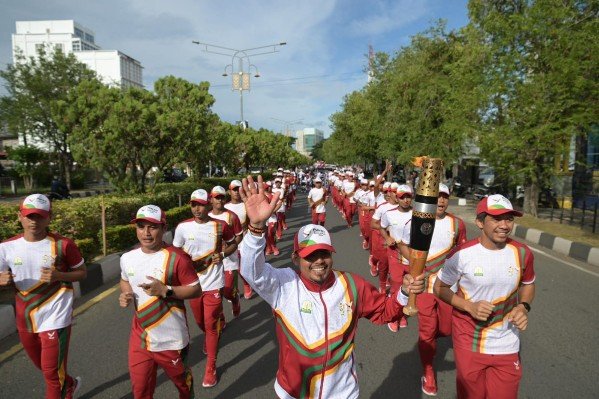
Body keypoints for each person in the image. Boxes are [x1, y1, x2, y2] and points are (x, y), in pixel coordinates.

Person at [238, 175, 425, 399]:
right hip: (294, 392)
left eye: (324, 254)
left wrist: (404, 292)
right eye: (310, 255)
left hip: (342, 393)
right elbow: (251, 271)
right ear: (296, 258)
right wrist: (256, 228)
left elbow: (385, 312)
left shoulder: (352, 285)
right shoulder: (284, 285)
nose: (319, 261)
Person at [433, 194, 535, 399]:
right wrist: (469, 306)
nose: (504, 225)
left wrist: (523, 307)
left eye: (509, 219)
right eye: (496, 219)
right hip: (470, 341)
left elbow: (528, 285)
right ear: (480, 222)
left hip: (507, 342)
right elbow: (439, 288)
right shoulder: (462, 254)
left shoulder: (522, 253)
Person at [0, 194, 86, 398]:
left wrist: (60, 276)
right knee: (44, 366)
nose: (33, 221)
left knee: (52, 374)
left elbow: (82, 272)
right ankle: (70, 384)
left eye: (39, 216)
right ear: (19, 216)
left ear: (49, 217)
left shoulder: (63, 245)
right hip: (25, 317)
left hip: (56, 315)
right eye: (29, 216)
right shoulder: (5, 248)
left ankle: (64, 387)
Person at [119, 205, 201, 399]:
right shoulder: (127, 258)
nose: (146, 233)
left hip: (172, 339)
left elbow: (196, 290)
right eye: (141, 226)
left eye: (153, 227)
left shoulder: (177, 258)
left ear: (164, 228)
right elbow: (124, 280)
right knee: (140, 391)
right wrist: (126, 294)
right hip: (141, 337)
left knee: (183, 386)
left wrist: (166, 290)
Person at [398, 183, 467, 395]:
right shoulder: (416, 221)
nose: (442, 201)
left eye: (445, 197)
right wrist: (417, 262)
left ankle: (433, 340)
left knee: (445, 329)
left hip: (447, 287)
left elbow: (463, 252)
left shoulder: (457, 224)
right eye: (437, 197)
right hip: (424, 286)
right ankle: (428, 369)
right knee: (427, 331)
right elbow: (402, 244)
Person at [172, 189, 238, 388]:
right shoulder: (183, 227)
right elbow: (175, 253)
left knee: (210, 325)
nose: (197, 208)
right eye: (193, 204)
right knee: (200, 321)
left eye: (200, 204)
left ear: (208, 204)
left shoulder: (220, 225)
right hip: (192, 285)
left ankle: (211, 367)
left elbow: (233, 243)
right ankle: (213, 332)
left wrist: (224, 254)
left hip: (214, 283)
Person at [378, 184, 414, 332]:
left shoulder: (418, 214)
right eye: (402, 197)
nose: (406, 200)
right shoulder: (389, 213)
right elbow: (381, 228)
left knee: (410, 286)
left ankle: (403, 313)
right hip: (395, 254)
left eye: (408, 197)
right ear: (397, 198)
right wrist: (387, 237)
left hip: (412, 256)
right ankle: (394, 316)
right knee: (396, 286)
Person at [208, 186, 244, 319]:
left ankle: (235, 299)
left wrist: (228, 247)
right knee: (216, 294)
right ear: (211, 199)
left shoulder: (232, 216)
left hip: (230, 259)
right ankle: (220, 320)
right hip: (212, 261)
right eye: (217, 197)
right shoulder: (207, 217)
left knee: (228, 292)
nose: (219, 200)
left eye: (222, 197)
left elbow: (239, 236)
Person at [225, 179, 254, 299]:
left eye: (239, 189)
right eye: (234, 189)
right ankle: (233, 291)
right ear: (229, 191)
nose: (237, 192)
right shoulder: (225, 207)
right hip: (230, 242)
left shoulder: (246, 204)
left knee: (242, 268)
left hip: (244, 241)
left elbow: (252, 221)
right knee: (231, 269)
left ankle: (247, 284)